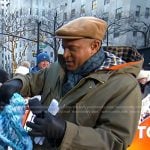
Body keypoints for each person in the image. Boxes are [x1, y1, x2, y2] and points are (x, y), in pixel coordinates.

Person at [0, 16, 143, 150]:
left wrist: (65, 132)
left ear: (94, 46)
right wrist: (18, 82)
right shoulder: (59, 67)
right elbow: (33, 80)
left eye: (72, 49)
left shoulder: (124, 86)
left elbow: (115, 141)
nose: (65, 54)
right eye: (64, 47)